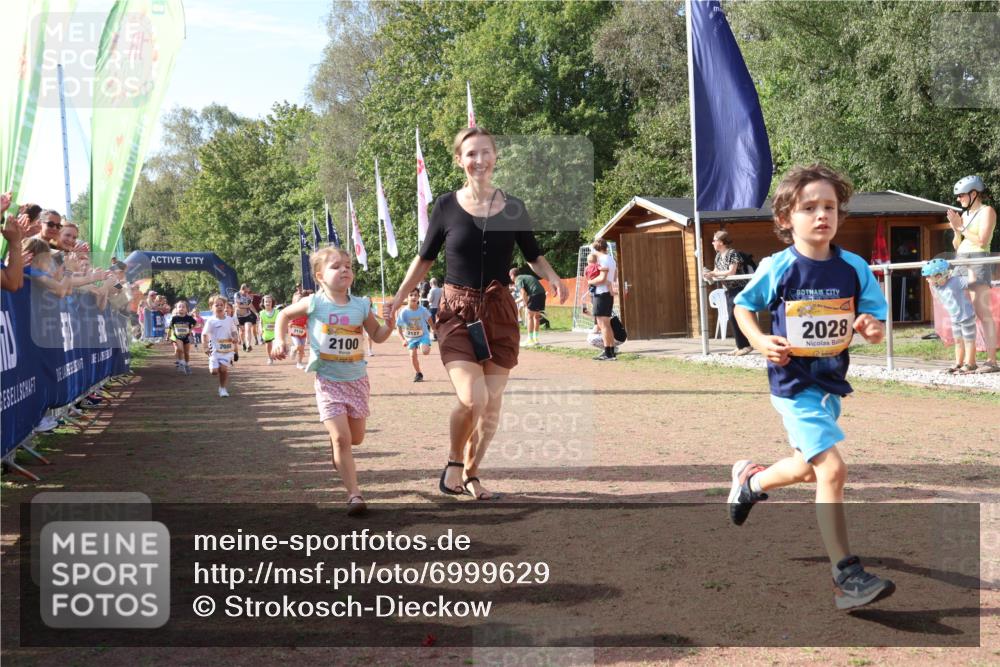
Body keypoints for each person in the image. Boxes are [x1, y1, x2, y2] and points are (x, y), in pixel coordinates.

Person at [729, 164, 894, 610]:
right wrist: (761, 340)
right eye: (809, 208)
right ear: (786, 218)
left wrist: (870, 327)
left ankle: (752, 481)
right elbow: (744, 306)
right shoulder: (777, 266)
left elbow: (874, 322)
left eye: (830, 207)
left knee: (807, 470)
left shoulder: (854, 267)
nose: (822, 215)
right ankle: (846, 577)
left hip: (830, 387)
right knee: (833, 470)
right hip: (793, 385)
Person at [388, 126, 567, 500]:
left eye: (485, 152)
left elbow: (532, 253)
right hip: (456, 311)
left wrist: (553, 278)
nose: (479, 160)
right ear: (459, 160)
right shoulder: (445, 206)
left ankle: (472, 474)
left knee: (491, 408)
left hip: (499, 311)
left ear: (495, 157)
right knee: (474, 398)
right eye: (471, 154)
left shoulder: (514, 206)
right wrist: (398, 297)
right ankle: (454, 464)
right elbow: (424, 260)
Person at [271, 247, 393, 515]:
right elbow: (283, 315)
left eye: (348, 265)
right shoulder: (315, 302)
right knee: (341, 439)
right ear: (320, 276)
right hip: (328, 381)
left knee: (355, 439)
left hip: (357, 380)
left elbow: (379, 334)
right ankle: (354, 495)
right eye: (336, 266)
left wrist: (391, 322)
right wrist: (280, 340)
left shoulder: (361, 304)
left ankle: (340, 450)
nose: (345, 270)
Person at [946, 175, 997, 373]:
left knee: (982, 312)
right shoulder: (965, 216)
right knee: (961, 312)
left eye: (961, 195)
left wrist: (961, 227)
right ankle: (967, 360)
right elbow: (958, 244)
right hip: (962, 259)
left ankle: (991, 360)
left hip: (978, 259)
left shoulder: (987, 211)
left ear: (974, 194)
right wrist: (956, 231)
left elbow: (982, 240)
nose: (959, 199)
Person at [922, 258, 978, 374]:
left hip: (966, 316)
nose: (927, 280)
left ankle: (971, 363)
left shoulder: (955, 281)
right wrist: (927, 267)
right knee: (958, 341)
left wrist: (970, 268)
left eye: (929, 276)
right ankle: (959, 363)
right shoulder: (936, 286)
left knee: (969, 340)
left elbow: (972, 282)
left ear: (939, 275)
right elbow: (934, 291)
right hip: (955, 318)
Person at [703, 230, 754, 355]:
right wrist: (710, 274)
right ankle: (740, 345)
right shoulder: (718, 256)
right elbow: (716, 270)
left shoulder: (733, 253)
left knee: (735, 315)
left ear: (721, 242)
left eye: (714, 240)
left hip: (740, 289)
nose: (712, 243)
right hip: (728, 290)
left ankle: (745, 345)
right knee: (732, 316)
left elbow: (731, 271)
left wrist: (714, 273)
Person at [203, 294, 240, 397]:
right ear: (211, 307)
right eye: (216, 305)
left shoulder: (229, 319)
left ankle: (222, 389)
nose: (219, 307)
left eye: (221, 305)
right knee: (214, 372)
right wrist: (205, 347)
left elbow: (234, 331)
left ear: (225, 306)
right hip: (214, 350)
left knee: (223, 369)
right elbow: (204, 334)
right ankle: (213, 363)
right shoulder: (211, 321)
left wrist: (235, 337)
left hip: (227, 350)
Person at [396, 287, 435, 381]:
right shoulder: (403, 312)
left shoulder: (422, 310)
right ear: (407, 297)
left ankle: (424, 345)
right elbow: (398, 328)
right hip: (410, 338)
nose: (413, 297)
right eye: (411, 295)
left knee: (425, 351)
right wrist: (402, 340)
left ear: (418, 297)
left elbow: (429, 319)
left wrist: (434, 328)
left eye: (415, 295)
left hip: (423, 336)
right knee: (412, 355)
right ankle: (419, 373)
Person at [589, 238, 617, 361]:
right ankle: (610, 351)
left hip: (601, 293)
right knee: (607, 324)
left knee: (602, 324)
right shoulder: (611, 259)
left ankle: (608, 352)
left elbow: (601, 279)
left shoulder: (602, 260)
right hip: (608, 294)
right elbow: (614, 276)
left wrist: (590, 281)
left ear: (596, 249)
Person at [510, 267, 547, 347]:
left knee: (529, 316)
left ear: (513, 275)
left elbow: (523, 293)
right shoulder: (525, 277)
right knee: (536, 317)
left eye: (510, 276)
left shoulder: (518, 280)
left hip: (535, 295)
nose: (510, 278)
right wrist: (513, 302)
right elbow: (525, 295)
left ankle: (530, 339)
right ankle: (535, 339)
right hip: (542, 294)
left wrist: (526, 305)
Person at [168, 300, 197, 374]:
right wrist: (170, 334)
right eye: (179, 307)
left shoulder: (189, 318)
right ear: (176, 309)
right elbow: (170, 326)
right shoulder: (175, 318)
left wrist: (191, 329)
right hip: (178, 337)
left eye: (183, 307)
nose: (181, 308)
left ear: (187, 309)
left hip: (186, 337)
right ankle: (181, 364)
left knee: (186, 353)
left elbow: (195, 323)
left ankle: (187, 365)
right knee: (180, 350)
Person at [287, 292, 309, 369]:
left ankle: (299, 363)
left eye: (300, 300)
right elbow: (287, 320)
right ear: (294, 302)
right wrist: (289, 324)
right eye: (297, 301)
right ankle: (293, 348)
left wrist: (308, 338)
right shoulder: (291, 311)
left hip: (302, 333)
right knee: (298, 346)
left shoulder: (305, 312)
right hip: (294, 332)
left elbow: (307, 324)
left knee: (302, 349)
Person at [234, 284, 258, 352]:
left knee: (248, 329)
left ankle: (248, 345)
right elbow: (238, 306)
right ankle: (243, 343)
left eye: (248, 291)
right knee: (242, 332)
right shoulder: (237, 294)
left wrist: (256, 313)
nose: (247, 293)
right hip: (239, 316)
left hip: (247, 315)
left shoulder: (248, 296)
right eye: (245, 291)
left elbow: (251, 306)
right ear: (242, 289)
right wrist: (247, 306)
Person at [258, 295, 280, 364]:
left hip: (275, 332)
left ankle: (274, 354)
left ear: (272, 303)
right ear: (263, 303)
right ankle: (270, 358)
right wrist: (260, 329)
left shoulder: (277, 312)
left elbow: (280, 321)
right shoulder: (261, 313)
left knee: (274, 344)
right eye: (266, 301)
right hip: (266, 333)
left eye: (269, 301)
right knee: (268, 346)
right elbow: (260, 322)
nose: (268, 303)